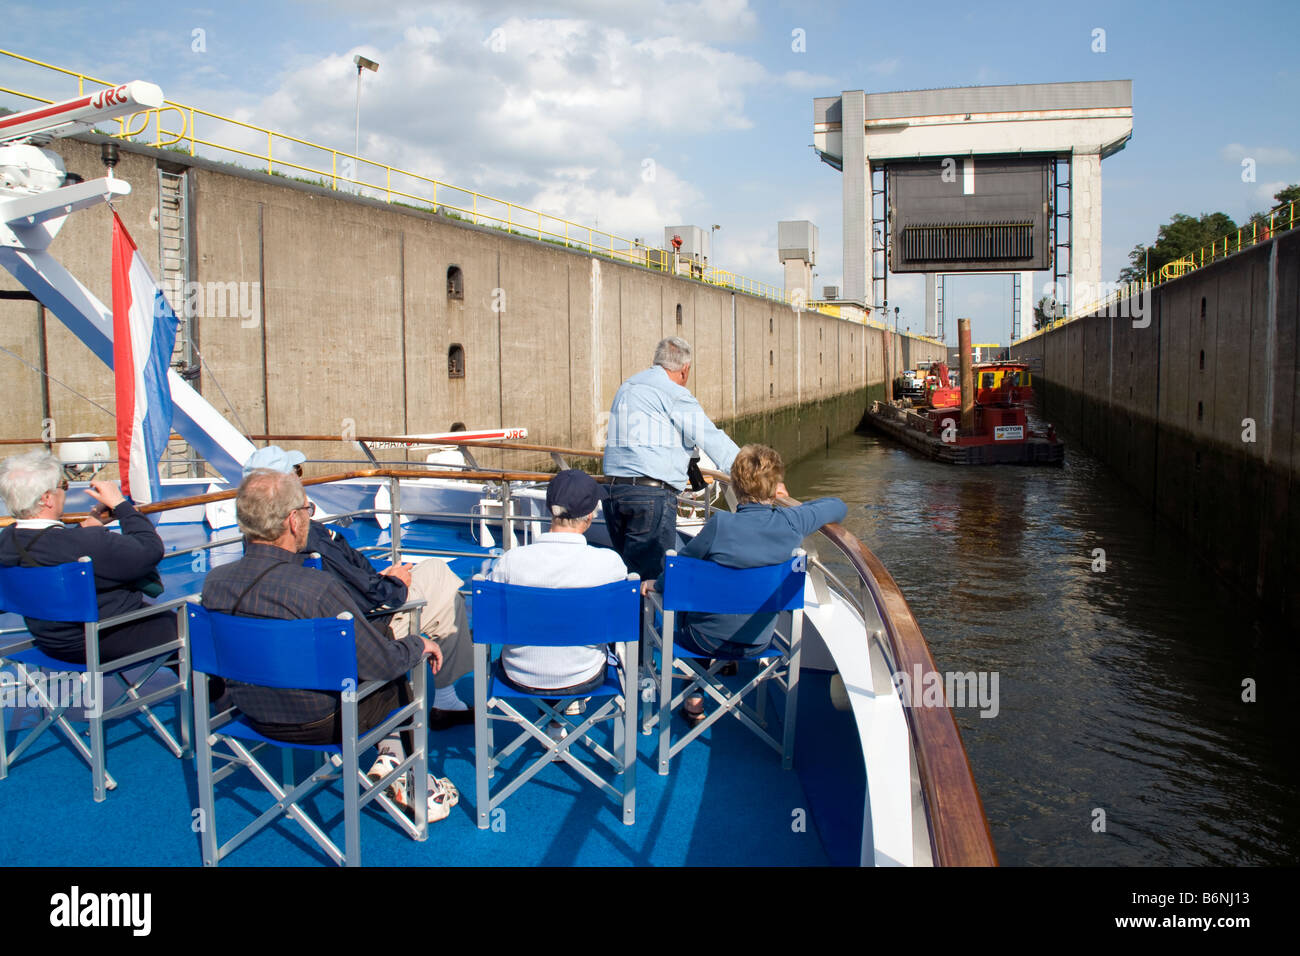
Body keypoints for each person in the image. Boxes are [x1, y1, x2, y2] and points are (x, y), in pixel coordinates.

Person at [202, 468, 458, 820]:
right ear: (294, 521)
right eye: (306, 512)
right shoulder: (316, 590)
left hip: (253, 714)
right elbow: (380, 663)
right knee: (400, 667)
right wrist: (420, 644)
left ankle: (396, 757)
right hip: (325, 720)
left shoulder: (214, 584)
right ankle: (417, 784)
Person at [242, 446, 474, 730]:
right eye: (296, 473)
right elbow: (354, 600)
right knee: (444, 584)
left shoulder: (238, 567)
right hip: (353, 639)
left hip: (273, 681)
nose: (300, 478)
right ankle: (446, 698)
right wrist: (394, 582)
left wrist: (381, 578)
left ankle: (446, 697)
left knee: (439, 582)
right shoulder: (308, 540)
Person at [651, 444, 846, 721]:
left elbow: (678, 571)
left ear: (736, 486)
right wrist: (784, 499)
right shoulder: (792, 522)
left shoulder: (720, 526)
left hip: (703, 640)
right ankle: (728, 667)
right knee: (735, 595)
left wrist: (654, 586)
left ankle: (694, 697)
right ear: (775, 486)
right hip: (758, 642)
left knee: (699, 598)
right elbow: (838, 506)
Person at [0, 451, 173, 664]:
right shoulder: (86, 543)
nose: (65, 491)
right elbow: (150, 550)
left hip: (50, 642)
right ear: (47, 499)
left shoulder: (6, 540)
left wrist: (87, 526)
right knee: (188, 625)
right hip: (100, 639)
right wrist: (121, 506)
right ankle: (215, 694)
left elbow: (49, 546)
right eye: (62, 486)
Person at [602, 336, 738, 580]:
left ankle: (632, 617)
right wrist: (751, 471)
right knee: (655, 580)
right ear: (685, 370)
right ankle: (651, 619)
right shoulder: (674, 393)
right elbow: (711, 437)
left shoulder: (628, 386)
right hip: (650, 497)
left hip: (613, 494)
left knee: (630, 575)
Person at [487, 470, 629, 698]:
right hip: (584, 673)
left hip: (520, 673)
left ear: (548, 509)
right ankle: (562, 712)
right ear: (590, 515)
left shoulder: (511, 561)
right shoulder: (610, 564)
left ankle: (553, 720)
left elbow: (492, 615)